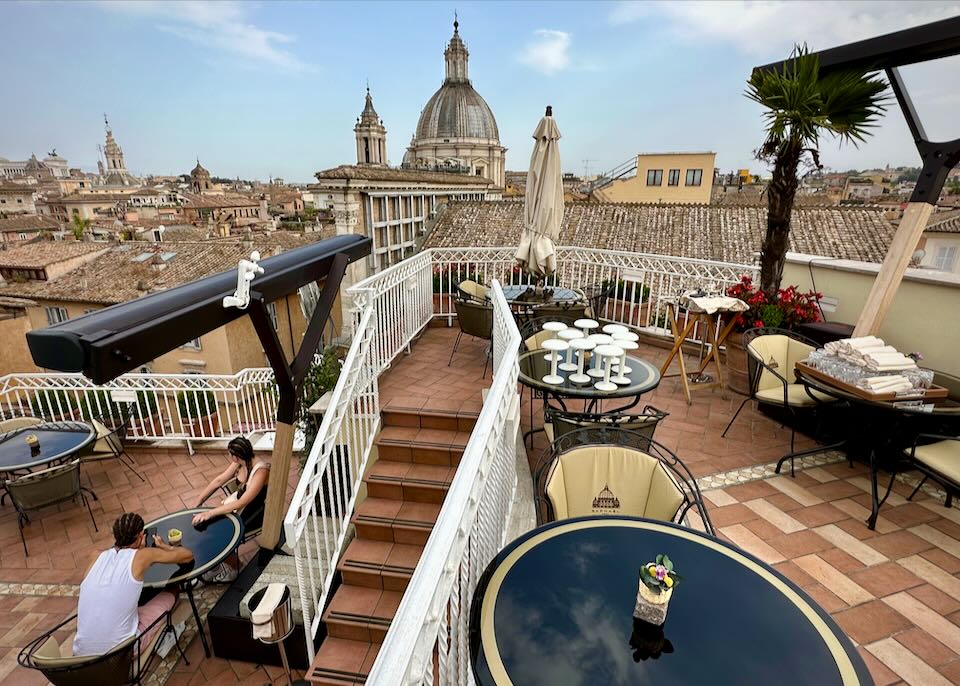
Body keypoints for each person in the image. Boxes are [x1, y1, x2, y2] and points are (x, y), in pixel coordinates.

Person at [74, 512, 194, 657]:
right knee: (172, 590)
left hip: (81, 655)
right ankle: (159, 637)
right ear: (140, 537)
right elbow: (187, 555)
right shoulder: (143, 555)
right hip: (122, 654)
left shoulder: (95, 555)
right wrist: (162, 546)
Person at [193, 435, 270, 582]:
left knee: (218, 535)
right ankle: (216, 567)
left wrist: (211, 512)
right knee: (206, 528)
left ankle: (235, 568)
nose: (229, 457)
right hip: (238, 508)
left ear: (236, 456)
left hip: (253, 513)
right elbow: (219, 481)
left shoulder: (261, 471)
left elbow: (243, 501)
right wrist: (199, 501)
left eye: (230, 454)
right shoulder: (241, 463)